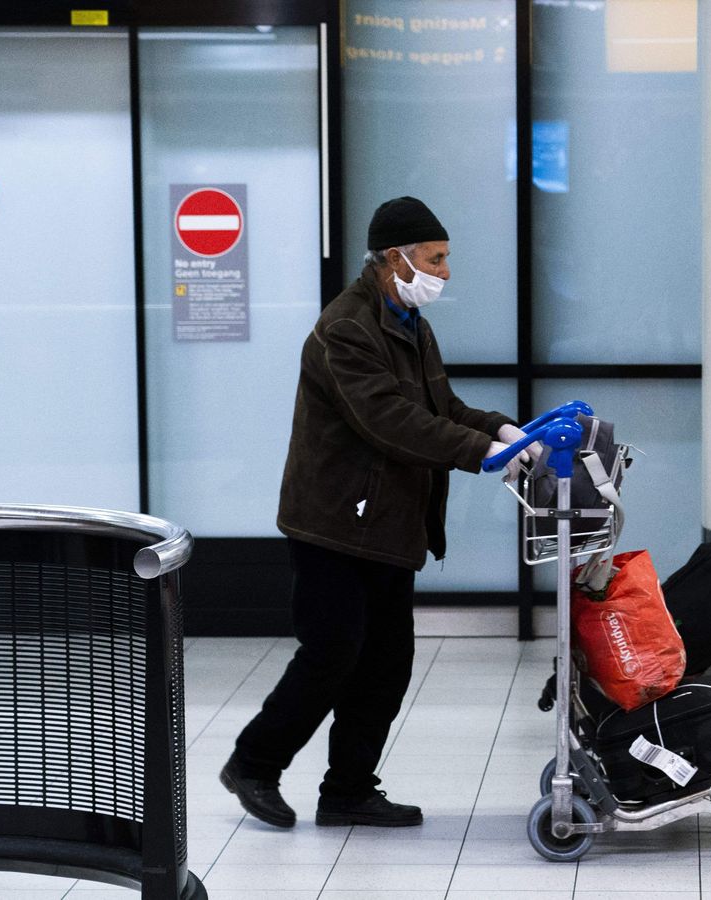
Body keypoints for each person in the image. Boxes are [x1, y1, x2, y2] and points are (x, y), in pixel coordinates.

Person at [220, 197, 531, 827]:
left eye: (445, 259)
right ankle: (253, 765)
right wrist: (481, 452)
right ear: (396, 258)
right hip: (334, 523)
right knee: (332, 653)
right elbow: (389, 421)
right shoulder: (348, 328)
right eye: (436, 259)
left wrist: (503, 430)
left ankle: (348, 791)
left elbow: (439, 406)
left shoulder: (410, 322)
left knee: (386, 663)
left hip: (386, 522)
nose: (445, 272)